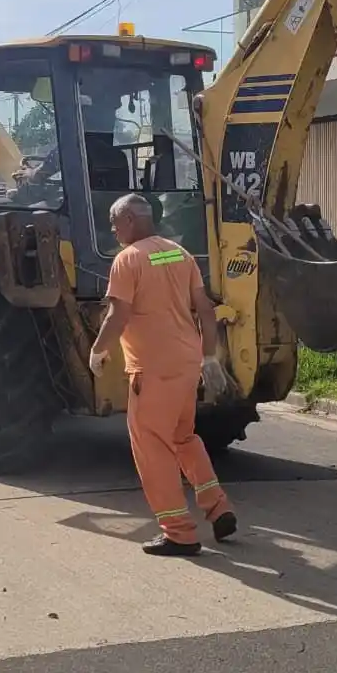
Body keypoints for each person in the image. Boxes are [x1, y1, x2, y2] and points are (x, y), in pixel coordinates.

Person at [89, 193, 237, 556]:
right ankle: (218, 507)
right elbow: (205, 310)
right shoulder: (178, 253)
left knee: (152, 448)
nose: (112, 228)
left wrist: (98, 350)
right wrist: (209, 359)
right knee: (183, 437)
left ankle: (179, 534)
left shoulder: (127, 260)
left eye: (114, 221)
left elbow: (117, 316)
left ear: (130, 221)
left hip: (152, 370)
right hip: (186, 364)